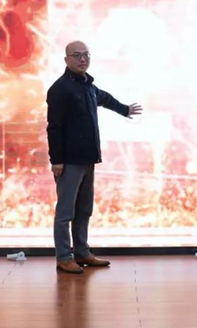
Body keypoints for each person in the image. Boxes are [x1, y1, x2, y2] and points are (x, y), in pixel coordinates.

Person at [46, 41, 143, 274]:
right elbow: (54, 127)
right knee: (65, 212)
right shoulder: (60, 89)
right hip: (69, 161)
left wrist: (125, 109)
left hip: (88, 158)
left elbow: (104, 98)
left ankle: (82, 252)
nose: (83, 59)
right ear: (66, 60)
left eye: (86, 55)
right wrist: (56, 160)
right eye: (77, 55)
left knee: (84, 209)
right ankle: (63, 257)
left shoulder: (88, 86)